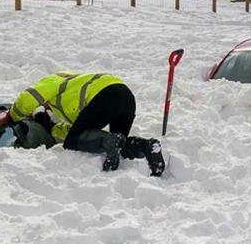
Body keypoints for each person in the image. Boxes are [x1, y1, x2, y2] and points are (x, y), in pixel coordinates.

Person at [9, 71, 165, 176]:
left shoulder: (53, 80)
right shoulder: (73, 89)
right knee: (119, 144)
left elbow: (28, 98)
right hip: (126, 97)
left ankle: (109, 141)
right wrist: (50, 127)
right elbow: (79, 131)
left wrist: (13, 116)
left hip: (105, 95)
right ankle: (146, 146)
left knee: (72, 143)